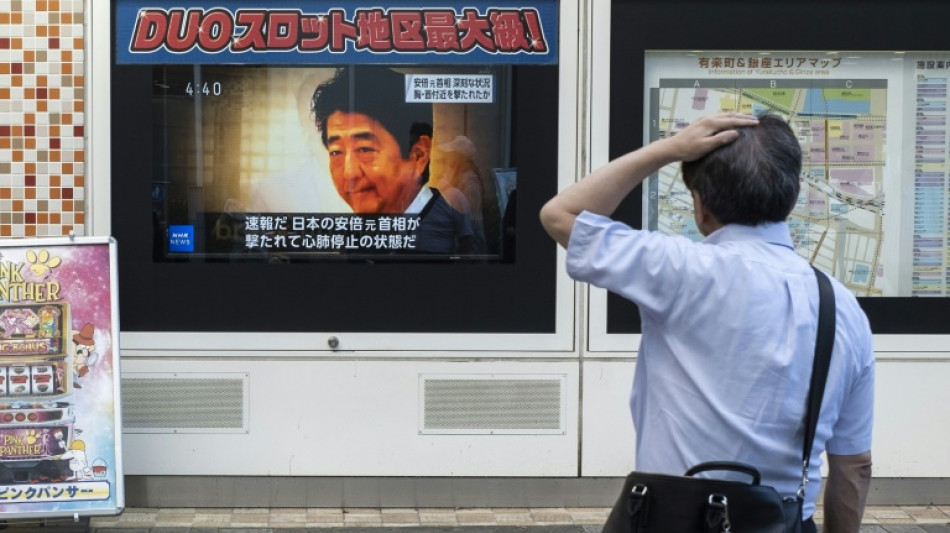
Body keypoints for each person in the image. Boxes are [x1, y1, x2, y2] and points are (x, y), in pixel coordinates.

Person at [540, 113, 874, 532]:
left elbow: (560, 214)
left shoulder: (678, 269)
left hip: (670, 518)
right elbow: (854, 466)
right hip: (782, 522)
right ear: (790, 196)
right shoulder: (843, 308)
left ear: (699, 205)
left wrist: (668, 149)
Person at [311, 67, 473, 254]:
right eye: (336, 152)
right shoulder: (354, 234)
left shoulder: (450, 206)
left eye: (365, 149)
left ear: (418, 154)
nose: (349, 173)